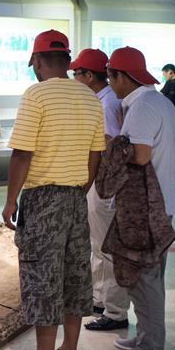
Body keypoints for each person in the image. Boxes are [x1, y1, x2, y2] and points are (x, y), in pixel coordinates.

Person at [0, 30, 105, 350]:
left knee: (42, 280)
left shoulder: (37, 94)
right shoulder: (90, 98)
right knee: (74, 275)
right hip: (76, 198)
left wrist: (11, 199)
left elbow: (22, 153)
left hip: (44, 199)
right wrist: (79, 189)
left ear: (38, 61)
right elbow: (95, 154)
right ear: (68, 61)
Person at [105, 47, 175, 350]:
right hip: (158, 206)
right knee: (150, 279)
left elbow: (138, 155)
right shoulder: (158, 102)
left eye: (111, 76)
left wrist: (108, 145)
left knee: (143, 280)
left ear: (121, 76)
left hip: (145, 210)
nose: (110, 84)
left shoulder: (143, 107)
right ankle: (145, 340)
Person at [70, 49, 130, 332]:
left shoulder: (106, 105)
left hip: (104, 183)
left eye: (76, 73)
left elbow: (112, 146)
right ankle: (100, 298)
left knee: (107, 247)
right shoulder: (101, 100)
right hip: (98, 180)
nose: (73, 77)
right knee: (97, 244)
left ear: (88, 75)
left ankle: (116, 311)